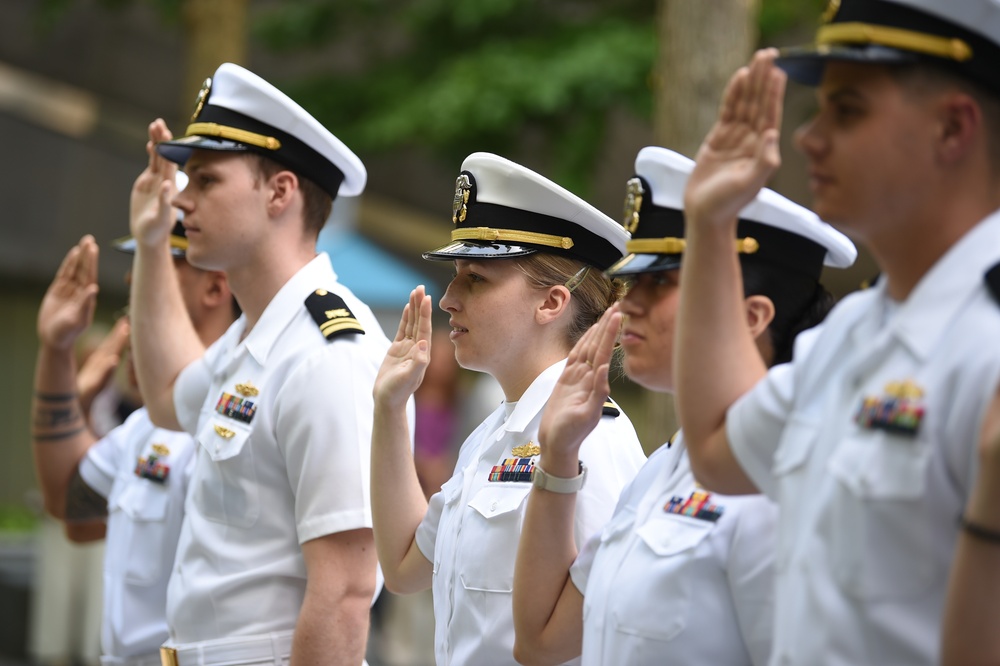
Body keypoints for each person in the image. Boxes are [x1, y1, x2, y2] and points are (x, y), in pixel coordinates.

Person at [672, 0, 1000, 663]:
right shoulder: (857, 329)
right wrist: (710, 226)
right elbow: (715, 445)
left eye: (847, 112)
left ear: (952, 127)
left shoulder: (987, 343)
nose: (807, 138)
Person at [510, 146, 856, 666]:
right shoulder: (663, 469)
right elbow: (540, 640)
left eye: (661, 282)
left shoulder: (779, 480)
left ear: (753, 316)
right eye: (632, 282)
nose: (627, 304)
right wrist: (558, 459)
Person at [127, 63, 396, 666]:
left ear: (279, 192)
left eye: (205, 180)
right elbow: (169, 397)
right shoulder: (255, 335)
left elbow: (347, 594)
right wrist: (150, 245)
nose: (180, 197)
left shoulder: (328, 354)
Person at [370, 152, 648, 666]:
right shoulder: (490, 437)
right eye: (456, 275)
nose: (449, 297)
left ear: (551, 303)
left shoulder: (595, 443)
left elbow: (620, 633)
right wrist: (390, 410)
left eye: (476, 278)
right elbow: (405, 567)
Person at [30, 201, 236, 666]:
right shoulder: (147, 425)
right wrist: (57, 353)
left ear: (215, 286)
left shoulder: (240, 414)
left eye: (156, 261)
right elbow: (70, 505)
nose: (131, 279)